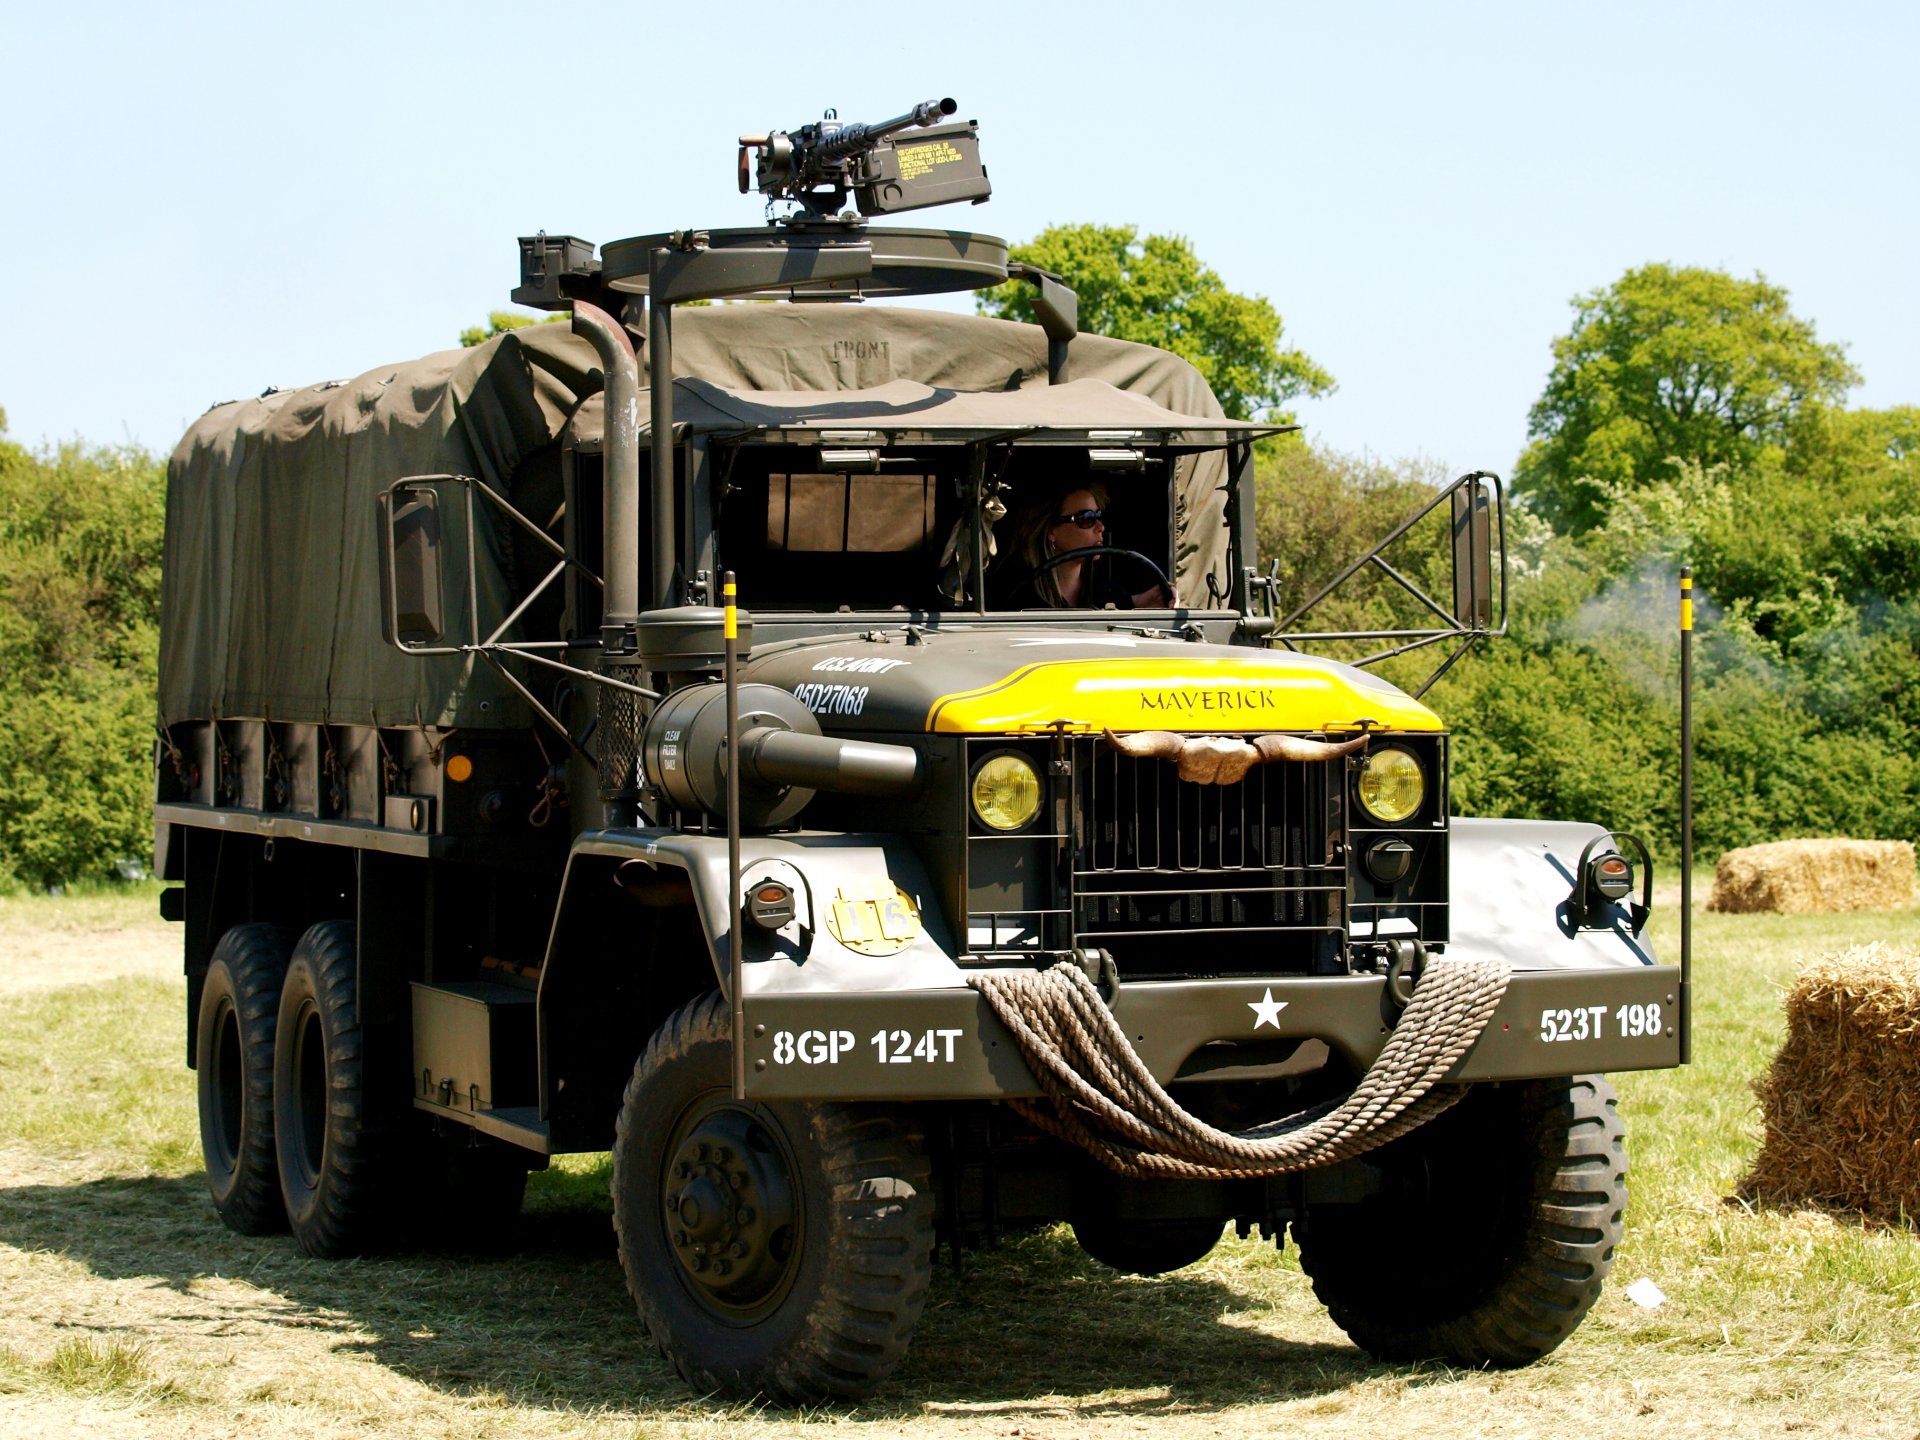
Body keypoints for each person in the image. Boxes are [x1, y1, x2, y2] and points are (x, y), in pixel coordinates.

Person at [1003, 482, 1171, 609]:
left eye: (1099, 516)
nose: (1100, 527)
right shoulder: (1017, 593)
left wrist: (1149, 600)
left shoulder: (1106, 590)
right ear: (1051, 531)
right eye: (1086, 519)